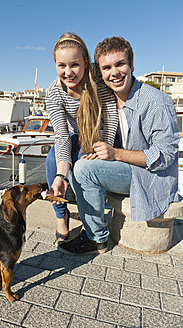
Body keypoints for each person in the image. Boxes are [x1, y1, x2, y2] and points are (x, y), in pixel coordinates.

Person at [58, 36, 180, 255]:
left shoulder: (155, 102)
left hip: (151, 177)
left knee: (84, 170)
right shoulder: (108, 98)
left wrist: (115, 154)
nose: (114, 73)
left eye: (120, 64)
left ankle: (97, 239)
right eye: (106, 67)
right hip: (129, 170)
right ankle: (90, 227)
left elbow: (165, 156)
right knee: (81, 163)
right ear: (99, 71)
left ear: (132, 65)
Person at [45, 33, 118, 242]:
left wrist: (108, 147)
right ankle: (61, 215)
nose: (68, 72)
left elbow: (111, 114)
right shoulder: (53, 93)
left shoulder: (96, 77)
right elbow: (61, 136)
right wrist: (61, 176)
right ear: (55, 64)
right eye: (62, 66)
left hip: (100, 133)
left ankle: (92, 224)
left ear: (86, 62)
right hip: (75, 134)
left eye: (74, 65)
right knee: (53, 160)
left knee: (83, 165)